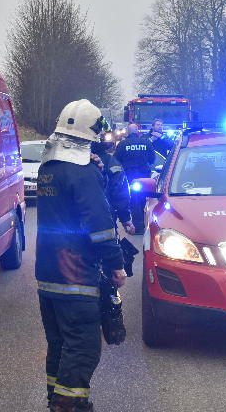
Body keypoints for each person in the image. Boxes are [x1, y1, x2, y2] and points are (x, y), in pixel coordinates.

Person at [36, 99, 127, 412]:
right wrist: (117, 266)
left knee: (60, 345)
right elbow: (100, 226)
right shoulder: (82, 173)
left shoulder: (48, 168)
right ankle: (70, 406)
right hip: (76, 278)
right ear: (92, 135)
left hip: (48, 277)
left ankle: (56, 400)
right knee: (83, 347)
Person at [114, 124, 155, 233]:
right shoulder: (146, 143)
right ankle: (147, 225)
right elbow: (152, 160)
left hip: (129, 177)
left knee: (133, 201)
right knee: (144, 200)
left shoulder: (122, 144)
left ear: (128, 131)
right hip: (144, 177)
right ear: (137, 131)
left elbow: (116, 160)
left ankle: (138, 226)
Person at [91, 139, 135, 236]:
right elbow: (119, 190)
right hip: (104, 219)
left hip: (70, 225)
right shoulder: (110, 161)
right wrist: (125, 218)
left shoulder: (66, 163)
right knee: (107, 248)